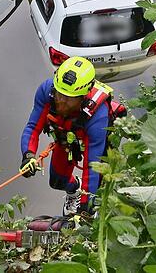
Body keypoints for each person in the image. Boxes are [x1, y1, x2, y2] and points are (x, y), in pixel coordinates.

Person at [19, 56, 118, 217]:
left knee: (95, 195)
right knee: (57, 181)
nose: (61, 102)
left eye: (69, 98)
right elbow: (32, 128)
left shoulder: (97, 116)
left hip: (96, 143)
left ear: (83, 96)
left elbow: (92, 165)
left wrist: (86, 205)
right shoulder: (46, 92)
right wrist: (28, 155)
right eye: (59, 95)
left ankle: (94, 208)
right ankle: (74, 191)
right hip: (67, 136)